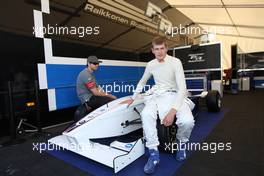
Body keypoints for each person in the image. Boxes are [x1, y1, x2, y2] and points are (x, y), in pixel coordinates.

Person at [123, 36, 195, 174]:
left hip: (175, 94)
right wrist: (133, 98)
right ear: (152, 50)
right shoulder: (151, 64)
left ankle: (181, 144)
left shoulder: (175, 62)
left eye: (162, 48)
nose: (160, 52)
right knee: (146, 114)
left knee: (187, 121)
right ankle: (154, 153)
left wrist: (172, 112)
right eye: (157, 49)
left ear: (166, 48)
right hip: (157, 94)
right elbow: (142, 82)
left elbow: (182, 88)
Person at [75, 55, 116, 121]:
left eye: (98, 63)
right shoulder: (86, 74)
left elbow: (98, 88)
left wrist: (107, 94)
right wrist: (110, 96)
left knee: (109, 98)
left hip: (92, 97)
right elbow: (96, 92)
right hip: (88, 99)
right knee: (111, 102)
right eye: (95, 63)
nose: (97, 65)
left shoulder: (91, 74)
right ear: (88, 63)